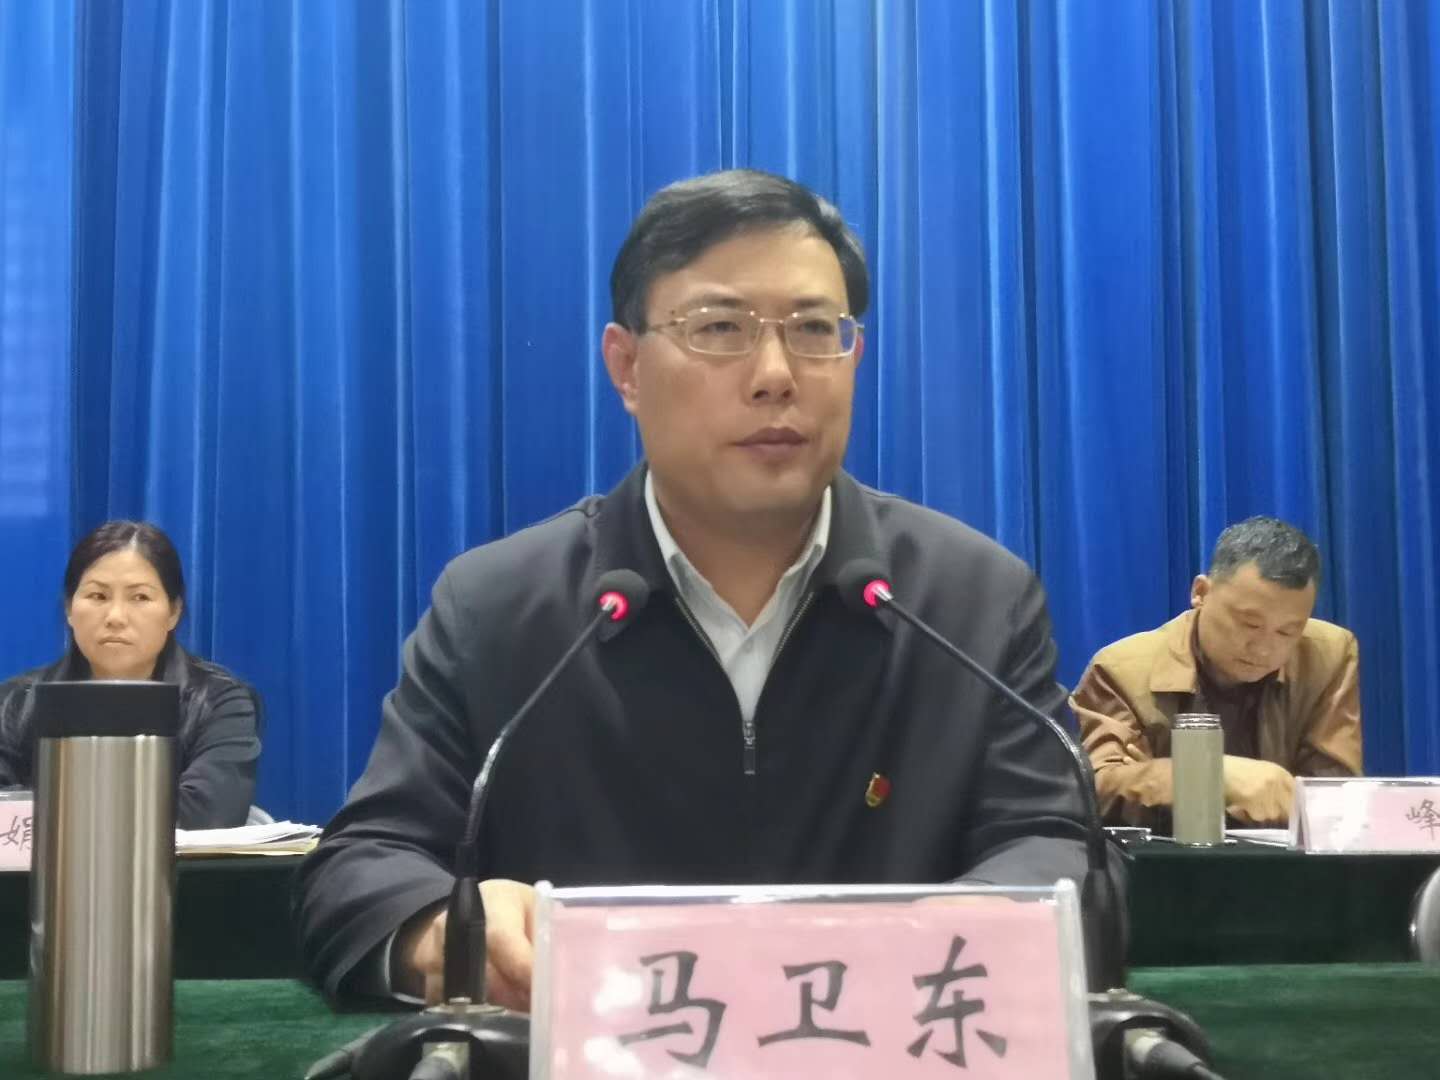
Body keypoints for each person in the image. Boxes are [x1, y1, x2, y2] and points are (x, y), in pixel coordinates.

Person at [295, 168, 1097, 1008]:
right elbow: (362, 865)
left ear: (853, 357)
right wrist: (442, 928)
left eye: (813, 329)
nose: (775, 374)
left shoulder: (972, 601)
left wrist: (993, 916)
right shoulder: (498, 609)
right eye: (720, 328)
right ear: (627, 367)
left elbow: (1057, 841)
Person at [1072, 516, 1362, 830]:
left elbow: (1332, 802)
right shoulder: (1123, 671)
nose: (1264, 649)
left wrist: (1162, 780)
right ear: (1201, 592)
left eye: (1287, 632)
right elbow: (1092, 792)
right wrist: (1214, 777)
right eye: (1250, 624)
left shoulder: (1327, 655)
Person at [0, 520, 262, 829]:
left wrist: (60, 811)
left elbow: (208, 812)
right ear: (70, 608)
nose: (115, 617)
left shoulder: (220, 703)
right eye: (98, 596)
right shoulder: (15, 703)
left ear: (173, 611)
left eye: (140, 598)